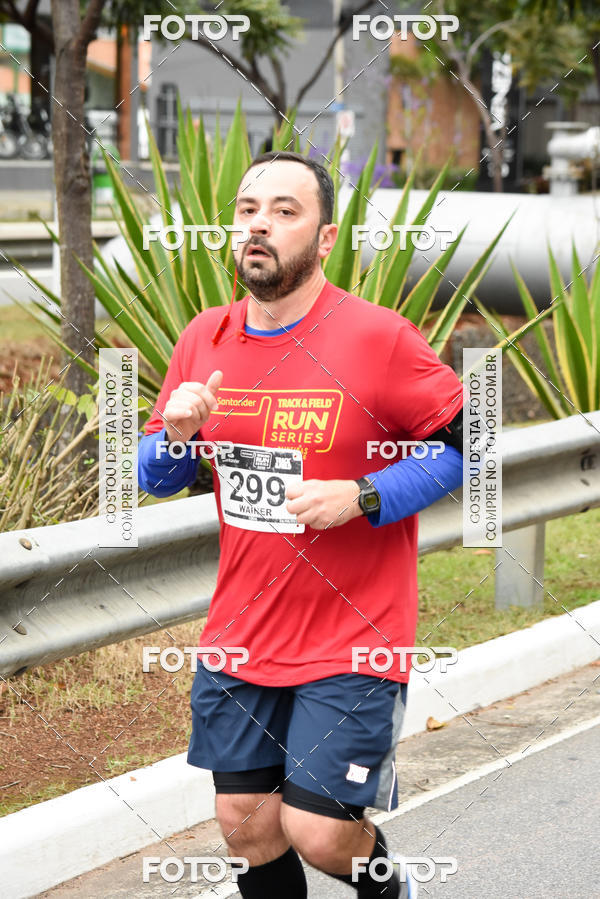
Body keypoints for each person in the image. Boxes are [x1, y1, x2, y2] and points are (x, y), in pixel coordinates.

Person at [138, 151, 464, 898]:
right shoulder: (205, 338)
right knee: (247, 826)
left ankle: (393, 885)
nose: (260, 224)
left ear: (324, 239)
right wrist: (177, 437)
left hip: (353, 632)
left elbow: (467, 447)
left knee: (319, 832)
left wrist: (365, 493)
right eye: (249, 209)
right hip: (242, 629)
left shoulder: (377, 337)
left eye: (285, 211)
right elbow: (155, 477)